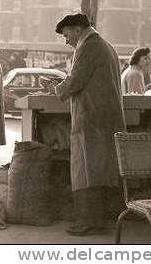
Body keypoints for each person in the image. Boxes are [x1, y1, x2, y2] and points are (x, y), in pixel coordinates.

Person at [50, 13, 126, 236]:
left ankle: (88, 223)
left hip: (91, 119)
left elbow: (75, 80)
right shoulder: (106, 46)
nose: (66, 41)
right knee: (100, 171)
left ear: (76, 29)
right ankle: (99, 221)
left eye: (66, 35)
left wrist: (55, 89)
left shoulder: (88, 47)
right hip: (104, 119)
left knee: (86, 170)